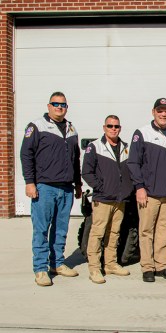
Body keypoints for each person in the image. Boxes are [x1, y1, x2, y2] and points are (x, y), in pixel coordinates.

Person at [20, 91, 82, 287]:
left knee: (61, 229)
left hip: (65, 188)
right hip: (44, 187)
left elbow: (75, 159)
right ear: (48, 106)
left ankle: (57, 263)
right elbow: (26, 155)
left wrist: (78, 184)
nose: (59, 107)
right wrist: (30, 182)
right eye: (55, 104)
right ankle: (40, 269)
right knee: (41, 229)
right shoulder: (36, 126)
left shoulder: (71, 129)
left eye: (63, 105)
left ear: (66, 107)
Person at [127, 98, 166, 283]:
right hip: (149, 193)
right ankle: (147, 267)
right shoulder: (142, 133)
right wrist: (139, 187)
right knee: (146, 231)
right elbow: (133, 163)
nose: (163, 114)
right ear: (153, 112)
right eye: (160, 110)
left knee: (165, 231)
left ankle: (162, 266)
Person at [82, 115, 134, 284]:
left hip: (120, 199)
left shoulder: (126, 148)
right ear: (104, 127)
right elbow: (87, 172)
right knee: (98, 233)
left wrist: (128, 189)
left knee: (114, 232)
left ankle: (110, 263)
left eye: (116, 126)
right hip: (103, 198)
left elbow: (131, 171)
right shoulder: (95, 147)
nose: (113, 129)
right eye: (110, 126)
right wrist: (100, 187)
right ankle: (95, 268)